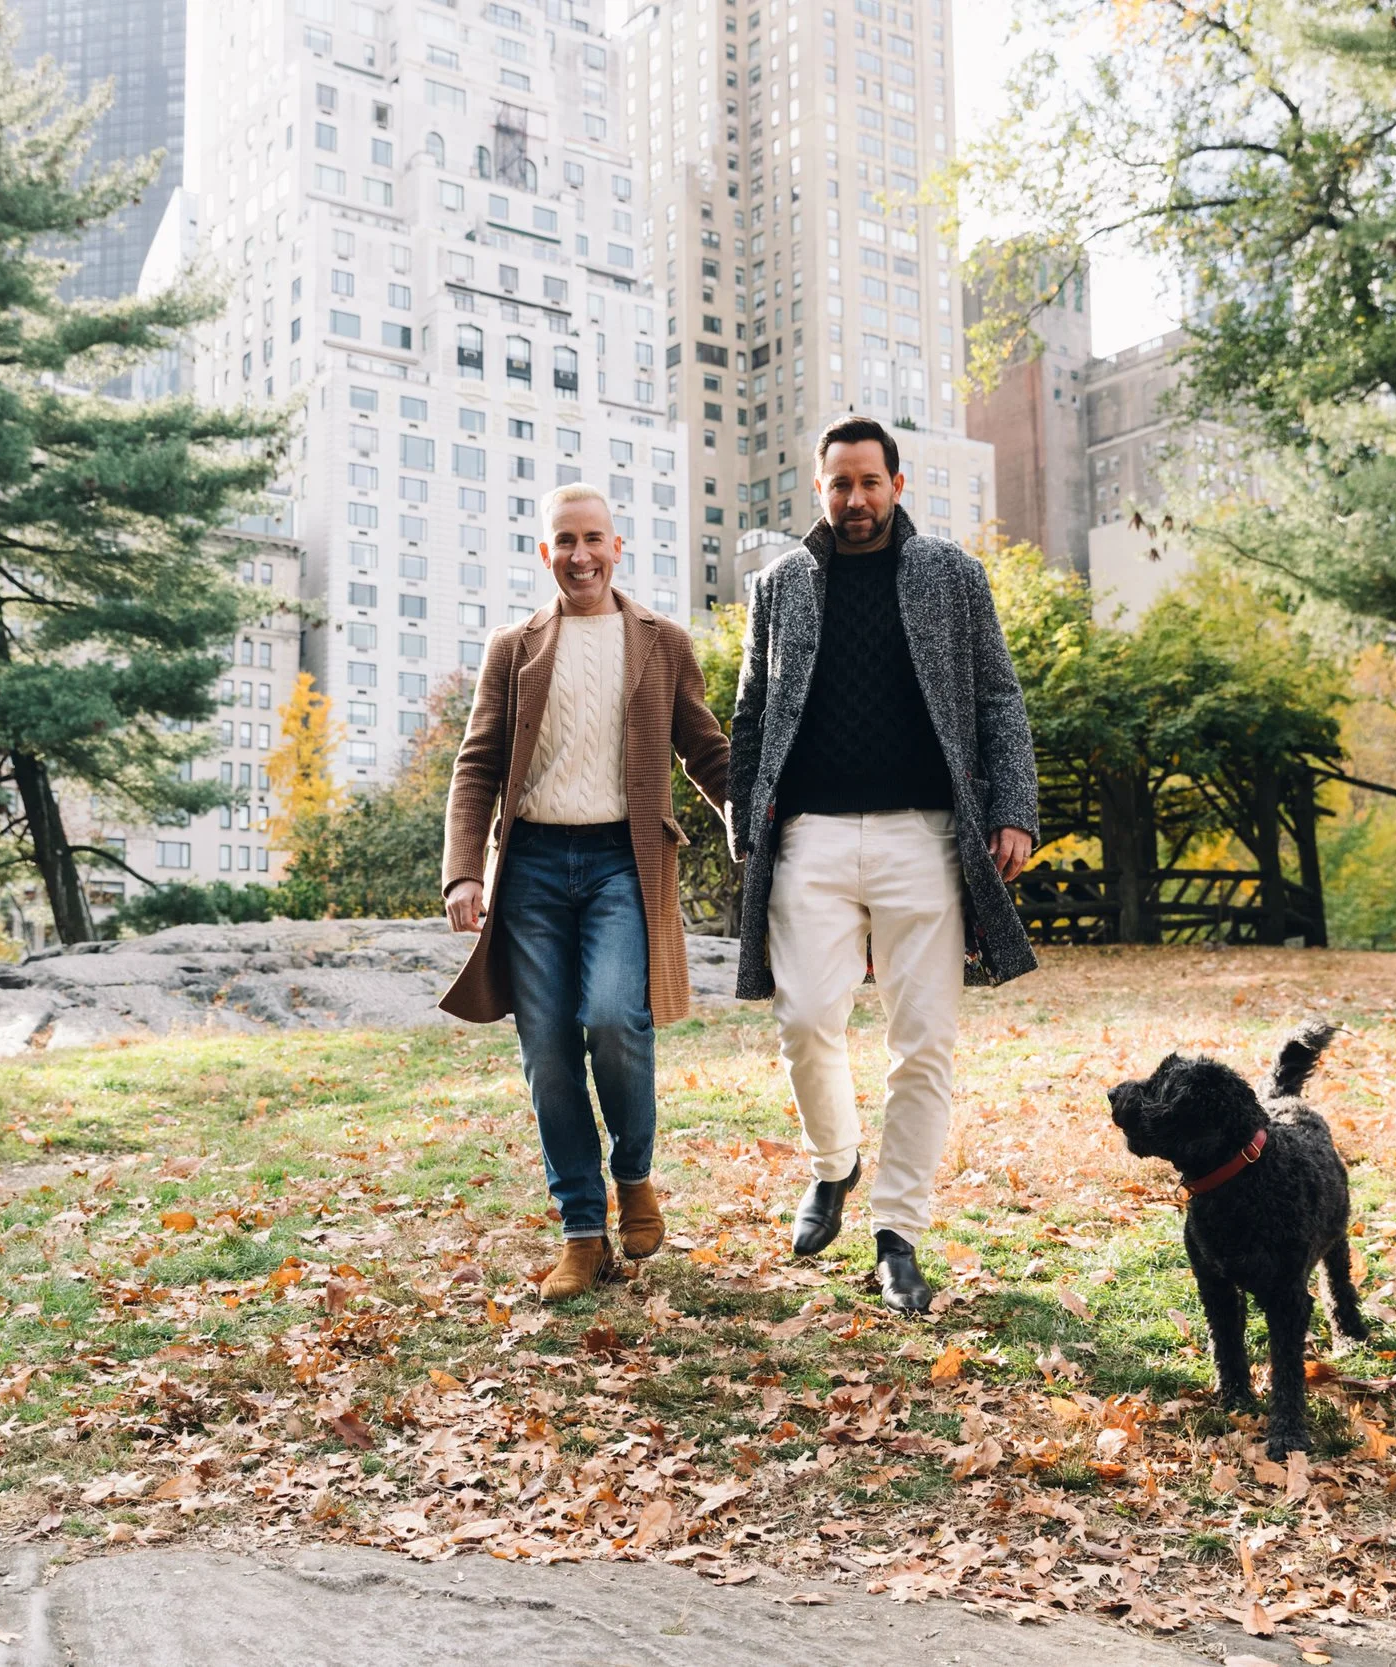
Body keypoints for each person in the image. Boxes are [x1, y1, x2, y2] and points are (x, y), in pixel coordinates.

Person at [726, 416, 1040, 1315]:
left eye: (869, 482)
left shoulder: (952, 574)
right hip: (811, 838)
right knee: (806, 1017)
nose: (854, 500)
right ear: (818, 490)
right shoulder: (779, 586)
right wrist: (747, 817)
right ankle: (834, 1164)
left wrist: (1014, 809)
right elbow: (750, 717)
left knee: (924, 1040)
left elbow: (997, 697)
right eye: (838, 484)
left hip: (925, 835)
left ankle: (898, 1232)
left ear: (897, 484)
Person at [439, 482, 731, 1300]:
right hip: (530, 864)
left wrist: (760, 816)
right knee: (549, 1057)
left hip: (619, 862)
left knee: (613, 1016)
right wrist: (465, 868)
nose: (580, 555)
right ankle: (580, 1231)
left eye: (593, 538)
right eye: (564, 541)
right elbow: (478, 763)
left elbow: (706, 752)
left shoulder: (661, 642)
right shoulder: (514, 647)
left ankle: (633, 1173)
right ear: (545, 553)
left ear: (617, 545)